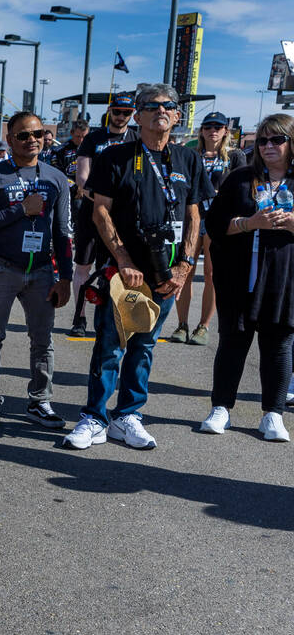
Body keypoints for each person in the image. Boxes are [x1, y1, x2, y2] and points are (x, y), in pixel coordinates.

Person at [62, 83, 211, 451]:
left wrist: (185, 266)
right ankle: (94, 418)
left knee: (144, 346)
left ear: (178, 116)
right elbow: (100, 210)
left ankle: (128, 416)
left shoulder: (188, 159)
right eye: (152, 106)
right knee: (110, 347)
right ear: (139, 116)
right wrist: (124, 259)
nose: (161, 110)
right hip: (122, 272)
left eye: (169, 106)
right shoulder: (116, 156)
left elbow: (194, 215)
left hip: (166, 272)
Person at [0, 112, 72, 427]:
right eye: (24, 135)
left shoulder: (55, 178)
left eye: (38, 134)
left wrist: (65, 278)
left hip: (41, 271)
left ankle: (40, 401)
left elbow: (63, 232)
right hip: (0, 267)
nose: (32, 140)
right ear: (10, 138)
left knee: (43, 339)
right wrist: (19, 210)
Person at [202, 114, 294, 441]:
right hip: (240, 277)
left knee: (279, 344)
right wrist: (250, 222)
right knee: (233, 341)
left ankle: (272, 414)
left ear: (291, 143)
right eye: (263, 140)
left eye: (277, 140)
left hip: (285, 281)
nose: (269, 146)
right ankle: (221, 408)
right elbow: (214, 225)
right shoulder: (241, 177)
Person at [168, 111, 248, 345]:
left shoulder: (235, 156)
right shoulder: (191, 154)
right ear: (202, 130)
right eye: (208, 126)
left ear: (225, 131)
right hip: (192, 219)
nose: (213, 130)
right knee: (185, 271)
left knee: (212, 274)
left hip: (219, 221)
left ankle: (203, 326)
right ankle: (182, 325)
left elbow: (240, 189)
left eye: (218, 127)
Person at [69, 93, 139, 337]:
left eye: (126, 113)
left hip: (122, 218)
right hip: (92, 212)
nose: (121, 117)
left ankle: (111, 317)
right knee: (83, 267)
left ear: (133, 115)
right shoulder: (93, 138)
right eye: (117, 111)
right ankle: (79, 317)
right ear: (110, 111)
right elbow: (82, 179)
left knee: (117, 268)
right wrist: (100, 198)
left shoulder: (136, 138)